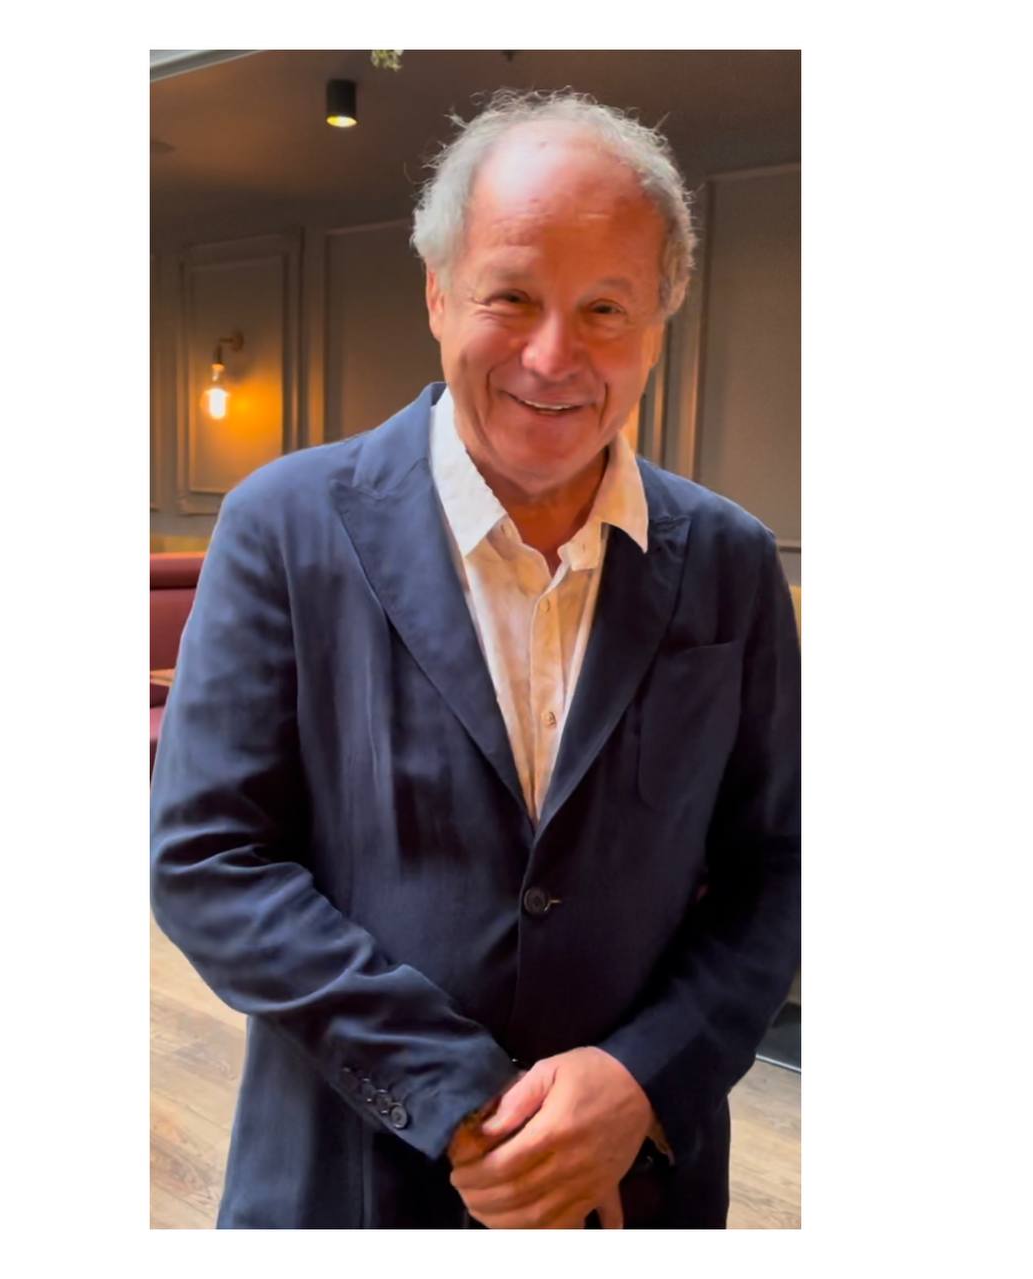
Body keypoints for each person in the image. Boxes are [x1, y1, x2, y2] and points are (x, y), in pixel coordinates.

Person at [150, 88, 800, 1230]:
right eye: (511, 296)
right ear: (438, 293)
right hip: (348, 1180)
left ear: (660, 322)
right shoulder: (283, 527)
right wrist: (461, 1099)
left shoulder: (730, 560)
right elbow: (209, 860)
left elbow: (779, 869)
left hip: (633, 1184)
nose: (554, 356)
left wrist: (642, 1079)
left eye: (606, 308)